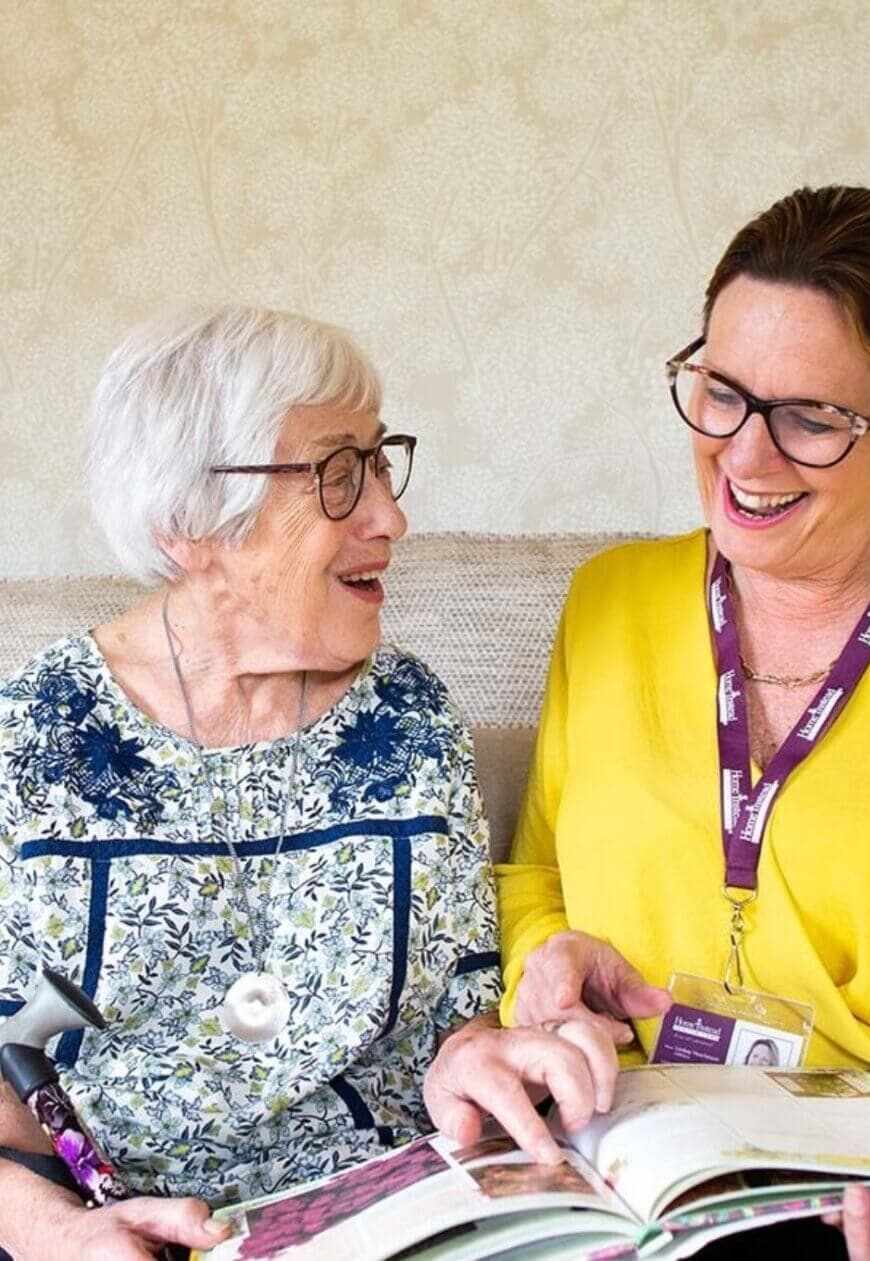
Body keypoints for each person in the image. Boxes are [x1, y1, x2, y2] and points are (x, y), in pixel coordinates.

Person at [0, 305, 596, 1261]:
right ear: (191, 522)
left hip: (397, 1219)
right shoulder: (35, 736)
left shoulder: (403, 714)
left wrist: (480, 1057)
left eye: (378, 461)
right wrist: (52, 1230)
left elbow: (459, 1019)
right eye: (335, 474)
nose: (390, 516)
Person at [495, 187, 870, 1259]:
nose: (744, 457)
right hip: (624, 1162)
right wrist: (547, 964)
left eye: (812, 418)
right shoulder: (610, 599)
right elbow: (533, 876)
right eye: (721, 394)